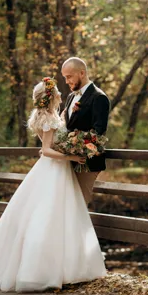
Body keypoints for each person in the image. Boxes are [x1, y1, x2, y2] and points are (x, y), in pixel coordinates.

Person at [0, 77, 106, 292]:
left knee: (58, 216)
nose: (60, 94)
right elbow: (46, 150)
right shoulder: (47, 118)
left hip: (56, 170)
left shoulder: (53, 115)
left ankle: (66, 268)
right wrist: (73, 158)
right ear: (50, 97)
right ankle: (43, 271)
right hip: (54, 169)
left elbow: (56, 139)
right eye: (57, 92)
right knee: (50, 217)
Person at [61, 57, 110, 205]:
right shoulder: (70, 97)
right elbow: (68, 126)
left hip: (87, 163)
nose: (66, 81)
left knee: (79, 206)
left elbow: (98, 133)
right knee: (67, 206)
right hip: (69, 162)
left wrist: (72, 146)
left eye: (69, 77)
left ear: (82, 73)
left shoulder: (99, 97)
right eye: (65, 77)